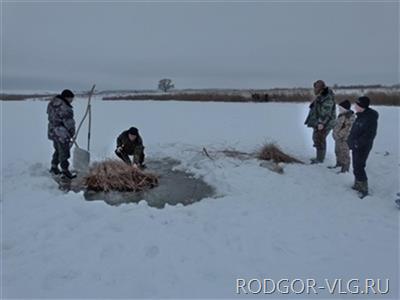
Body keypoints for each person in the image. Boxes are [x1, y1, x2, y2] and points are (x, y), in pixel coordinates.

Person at [347, 96, 378, 198]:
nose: (355, 106)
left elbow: (369, 135)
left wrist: (357, 143)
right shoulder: (360, 116)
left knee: (360, 166)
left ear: (362, 106)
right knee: (356, 165)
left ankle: (364, 188)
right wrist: (350, 140)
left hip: (363, 146)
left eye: (357, 105)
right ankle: (357, 184)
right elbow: (355, 130)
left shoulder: (370, 118)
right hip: (356, 145)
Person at [304, 80, 336, 164]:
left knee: (320, 139)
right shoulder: (320, 95)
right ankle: (319, 156)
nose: (314, 89)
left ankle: (320, 159)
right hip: (318, 122)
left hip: (325, 123)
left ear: (321, 88)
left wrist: (321, 123)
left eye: (316, 87)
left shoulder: (327, 97)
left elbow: (326, 112)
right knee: (316, 138)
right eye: (314, 87)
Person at [47, 89, 76, 179]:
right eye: (71, 99)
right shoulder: (65, 108)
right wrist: (71, 132)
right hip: (61, 133)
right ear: (67, 98)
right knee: (64, 152)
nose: (72, 101)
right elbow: (68, 122)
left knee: (57, 150)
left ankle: (54, 167)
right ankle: (65, 171)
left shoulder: (51, 104)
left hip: (52, 130)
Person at [329, 99, 355, 173]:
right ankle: (339, 164)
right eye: (339, 108)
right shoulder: (341, 115)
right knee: (337, 151)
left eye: (340, 108)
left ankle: (345, 169)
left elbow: (347, 128)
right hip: (338, 138)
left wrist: (339, 135)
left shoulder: (349, 117)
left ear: (345, 109)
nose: (339, 109)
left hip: (344, 139)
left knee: (344, 154)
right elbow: (338, 125)